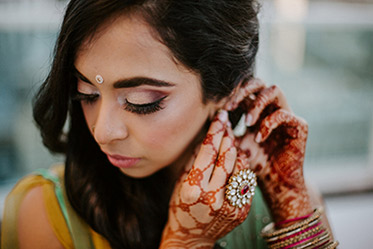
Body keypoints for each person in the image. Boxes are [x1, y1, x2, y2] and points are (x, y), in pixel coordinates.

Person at [1, 0, 338, 248]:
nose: (103, 132)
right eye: (87, 93)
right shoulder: (45, 212)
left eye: (141, 102)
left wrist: (292, 207)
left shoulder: (282, 198)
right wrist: (186, 242)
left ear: (226, 90)